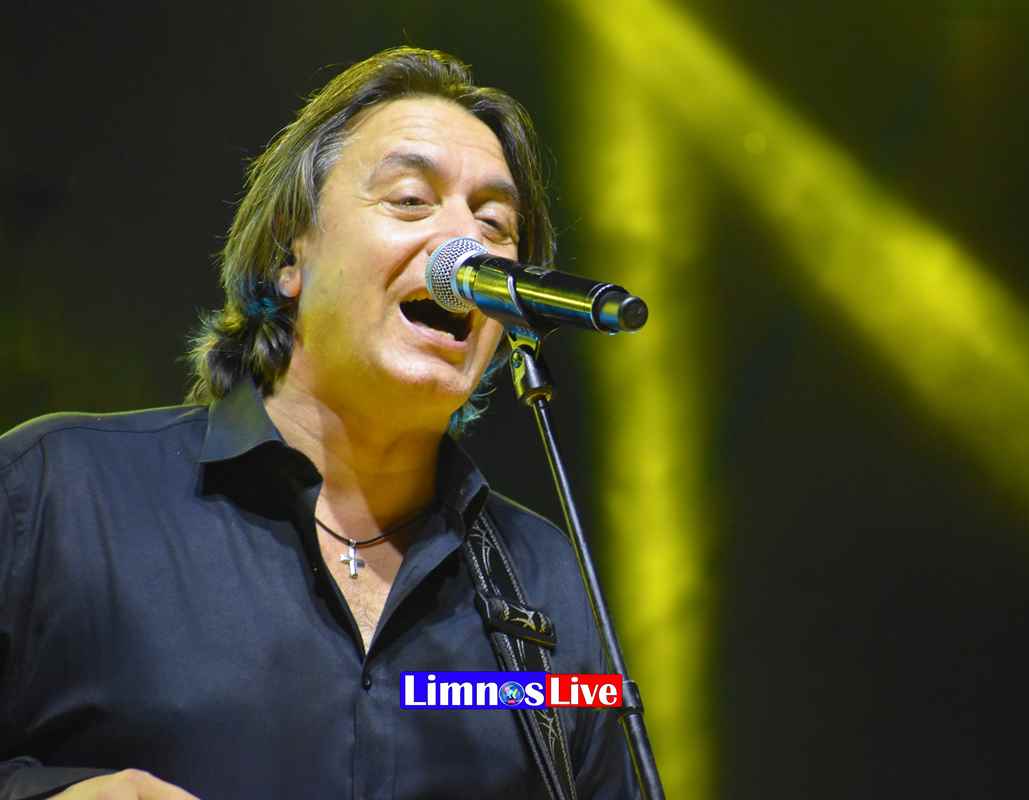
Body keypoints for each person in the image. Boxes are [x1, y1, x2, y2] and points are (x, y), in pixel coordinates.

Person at [0, 47, 637, 799]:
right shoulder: (54, 493)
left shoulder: (544, 576)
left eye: (495, 223)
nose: (466, 246)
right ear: (290, 257)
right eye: (410, 200)